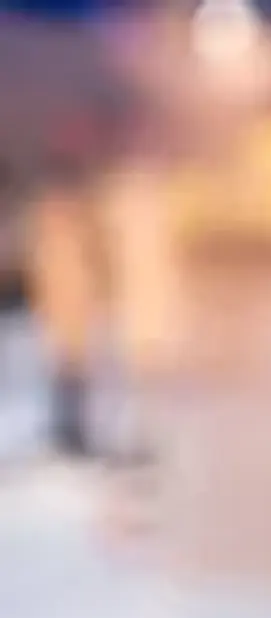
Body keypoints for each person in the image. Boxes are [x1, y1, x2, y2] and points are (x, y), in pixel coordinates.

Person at [0, 0, 175, 462]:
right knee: (81, 247)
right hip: (79, 77)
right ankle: (90, 404)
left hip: (66, 77)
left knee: (104, 244)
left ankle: (104, 405)